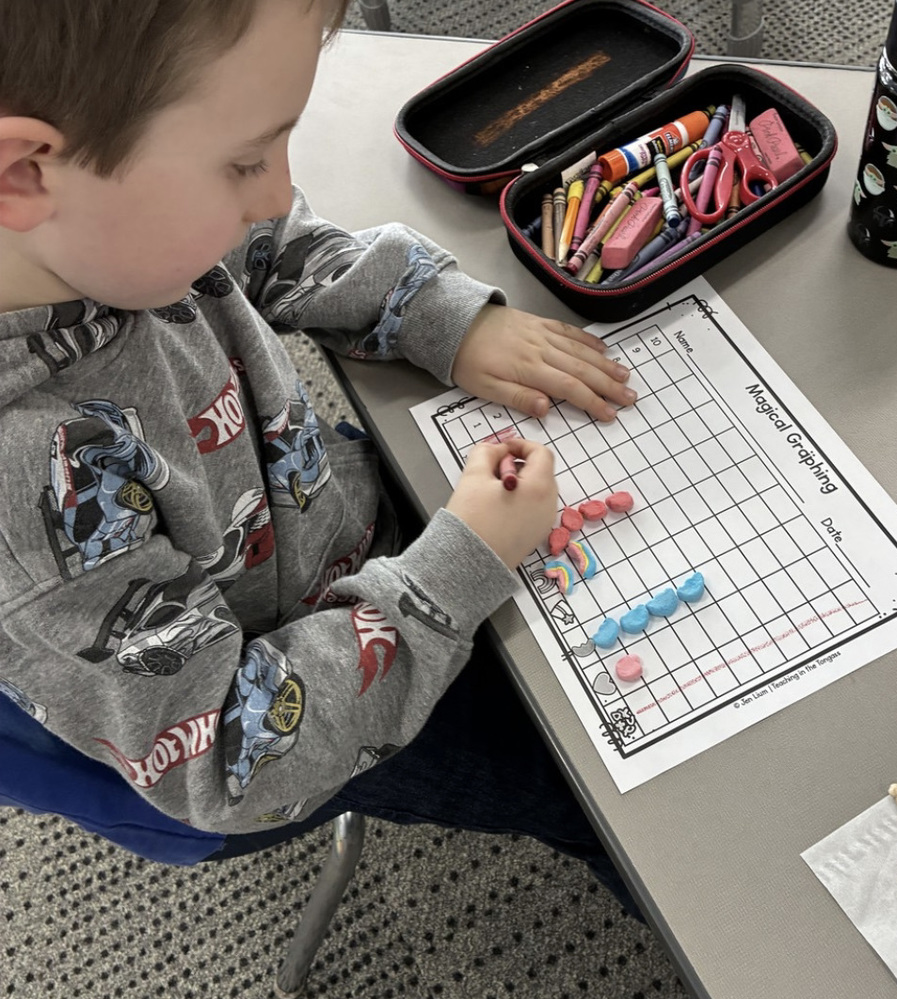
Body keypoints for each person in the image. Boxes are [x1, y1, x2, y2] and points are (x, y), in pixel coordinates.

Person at [0, 0, 642, 917]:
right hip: (283, 717)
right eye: (245, 160)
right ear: (24, 170)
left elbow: (269, 237)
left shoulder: (93, 226)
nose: (276, 188)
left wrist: (437, 316)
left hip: (319, 530)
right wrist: (452, 572)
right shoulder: (25, 490)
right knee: (586, 785)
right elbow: (230, 755)